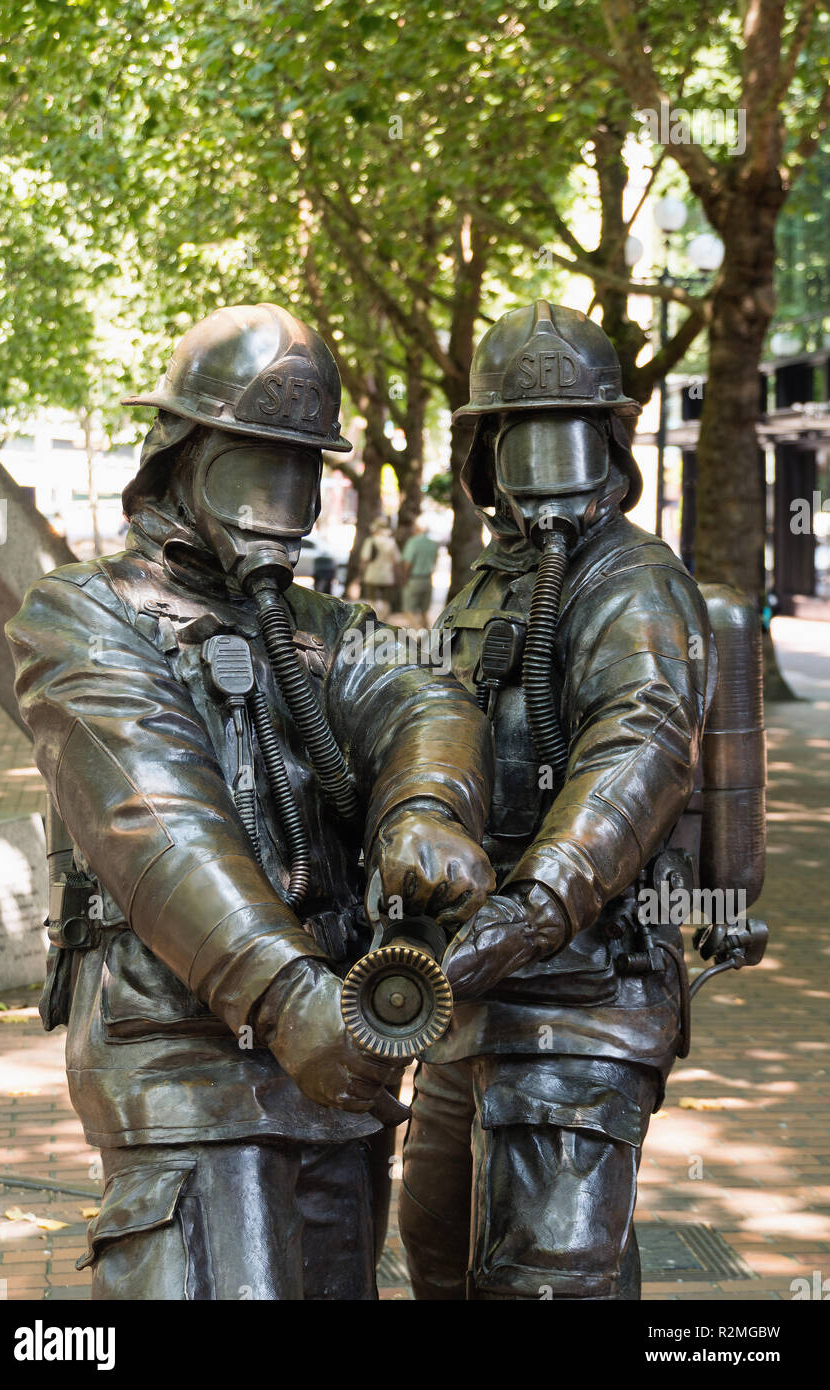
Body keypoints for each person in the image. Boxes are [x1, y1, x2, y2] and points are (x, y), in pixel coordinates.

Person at [6, 303, 494, 1301]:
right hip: (185, 1068)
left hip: (335, 1072)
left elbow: (423, 694)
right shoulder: (81, 618)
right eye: (254, 467)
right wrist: (284, 995)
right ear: (182, 457)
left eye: (299, 472)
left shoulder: (325, 628)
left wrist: (425, 803)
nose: (280, 499)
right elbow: (155, 818)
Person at [398, 300, 715, 1301]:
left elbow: (640, 747)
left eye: (565, 438)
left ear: (610, 444)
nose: (542, 468)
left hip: (586, 992)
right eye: (518, 439)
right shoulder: (484, 585)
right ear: (484, 450)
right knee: (440, 1251)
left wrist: (532, 907)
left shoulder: (637, 586)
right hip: (475, 991)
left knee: (543, 1282)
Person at [401, 519, 440, 625]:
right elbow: (435, 561)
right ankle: (429, 636)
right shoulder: (434, 544)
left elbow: (408, 563)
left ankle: (419, 632)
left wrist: (404, 579)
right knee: (424, 612)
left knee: (408, 611)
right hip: (427, 580)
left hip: (414, 579)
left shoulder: (413, 542)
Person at [359, 516, 401, 615]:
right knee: (386, 601)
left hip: (372, 574)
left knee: (371, 599)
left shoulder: (370, 541)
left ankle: (375, 618)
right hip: (387, 576)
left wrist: (361, 574)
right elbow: (397, 561)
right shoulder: (391, 542)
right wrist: (398, 576)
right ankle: (384, 618)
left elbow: (364, 559)